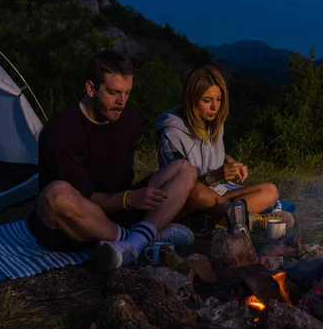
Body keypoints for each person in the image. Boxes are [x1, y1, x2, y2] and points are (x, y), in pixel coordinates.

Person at [27, 50, 197, 272]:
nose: (121, 101)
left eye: (127, 93)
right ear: (91, 88)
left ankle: (135, 243)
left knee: (184, 169)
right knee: (55, 194)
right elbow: (82, 198)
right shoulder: (62, 130)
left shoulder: (130, 120)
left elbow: (123, 181)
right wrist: (129, 198)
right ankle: (136, 238)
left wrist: (131, 198)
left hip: (120, 208)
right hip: (73, 222)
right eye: (113, 92)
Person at [155, 64, 295, 231]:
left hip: (217, 195)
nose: (215, 107)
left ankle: (223, 220)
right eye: (207, 100)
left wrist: (230, 161)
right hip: (187, 202)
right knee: (199, 193)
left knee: (270, 190)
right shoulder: (172, 133)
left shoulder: (213, 124)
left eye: (219, 99)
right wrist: (214, 176)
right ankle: (248, 220)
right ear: (191, 99)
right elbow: (177, 188)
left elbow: (208, 151)